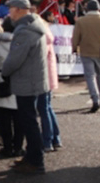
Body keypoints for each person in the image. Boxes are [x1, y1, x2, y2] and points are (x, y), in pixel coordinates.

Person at [1, 0, 49, 175]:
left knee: (29, 122)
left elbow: (15, 58)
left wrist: (4, 72)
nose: (9, 12)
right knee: (29, 121)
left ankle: (36, 161)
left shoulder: (24, 31)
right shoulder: (34, 25)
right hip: (33, 79)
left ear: (20, 10)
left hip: (27, 81)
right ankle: (31, 157)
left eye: (11, 8)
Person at [0, 14, 23, 158]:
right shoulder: (21, 43)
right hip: (19, 80)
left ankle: (7, 147)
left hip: (0, 80)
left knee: (4, 118)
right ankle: (18, 147)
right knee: (19, 118)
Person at [73, 0, 100, 112]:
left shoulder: (81, 21)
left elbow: (76, 37)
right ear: (99, 8)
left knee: (89, 76)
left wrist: (74, 48)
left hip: (86, 51)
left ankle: (95, 98)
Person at [38, 19, 62, 152]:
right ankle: (55, 138)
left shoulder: (41, 38)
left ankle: (47, 140)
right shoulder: (47, 34)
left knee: (44, 109)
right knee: (47, 107)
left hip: (43, 76)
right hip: (49, 76)